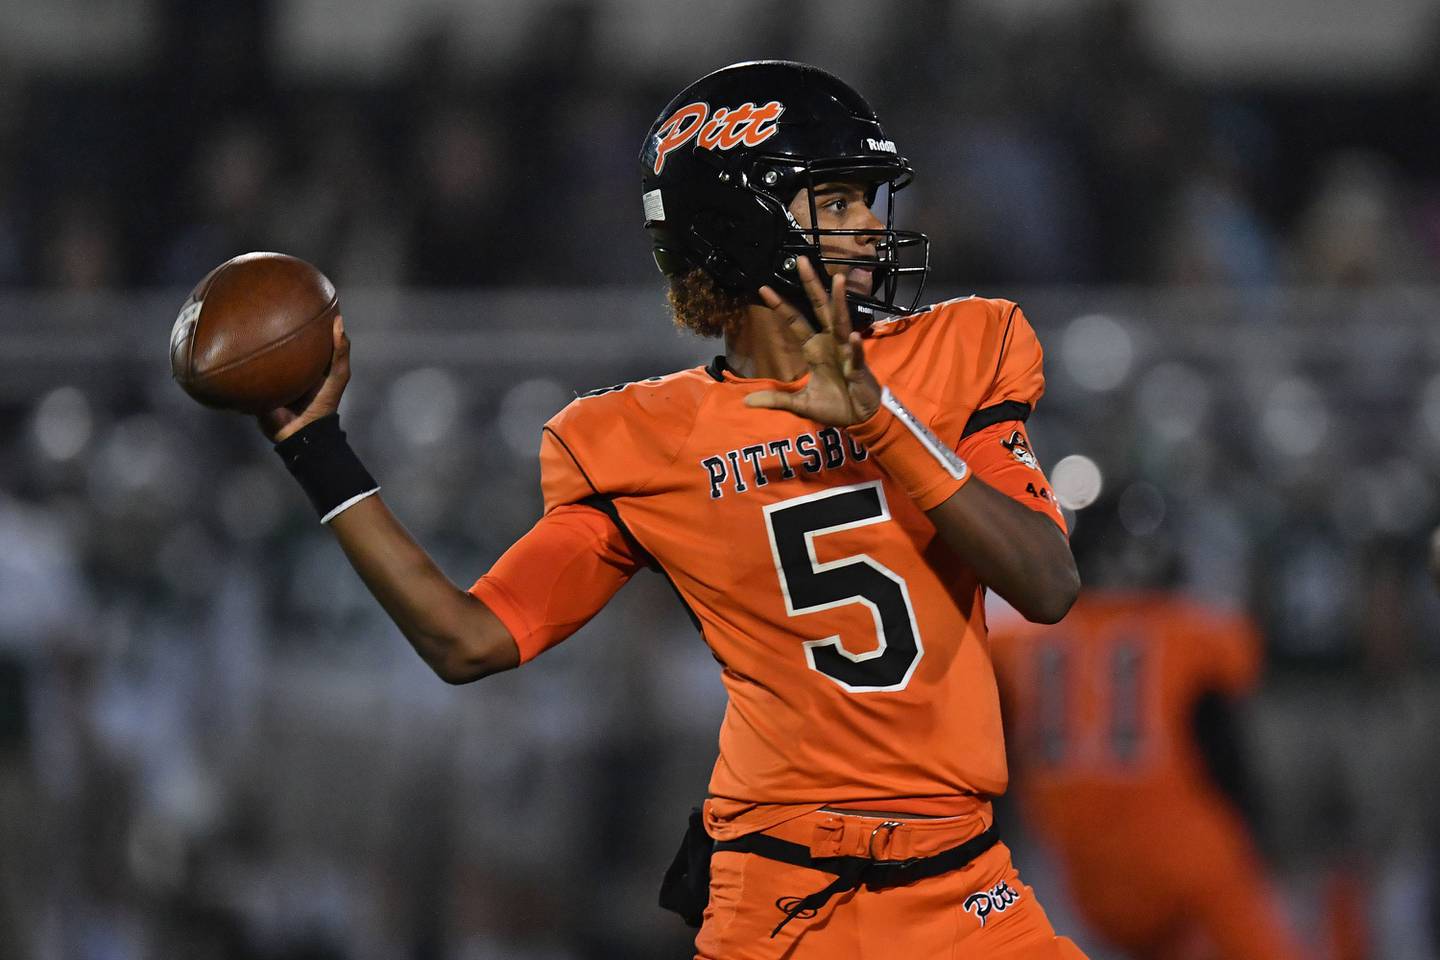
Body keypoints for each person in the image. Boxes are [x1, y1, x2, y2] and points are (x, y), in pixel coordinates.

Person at [258, 60, 1084, 959]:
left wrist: (881, 422)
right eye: (836, 202)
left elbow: (1046, 582)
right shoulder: (638, 439)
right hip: (784, 904)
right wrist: (317, 449)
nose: (871, 227)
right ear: (741, 222)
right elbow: (468, 639)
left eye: (866, 200)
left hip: (964, 883)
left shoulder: (959, 350)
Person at [989, 484, 1306, 960]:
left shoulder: (1017, 639)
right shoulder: (1190, 631)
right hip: (1185, 851)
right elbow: (1228, 754)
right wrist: (1258, 828)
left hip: (1074, 862)